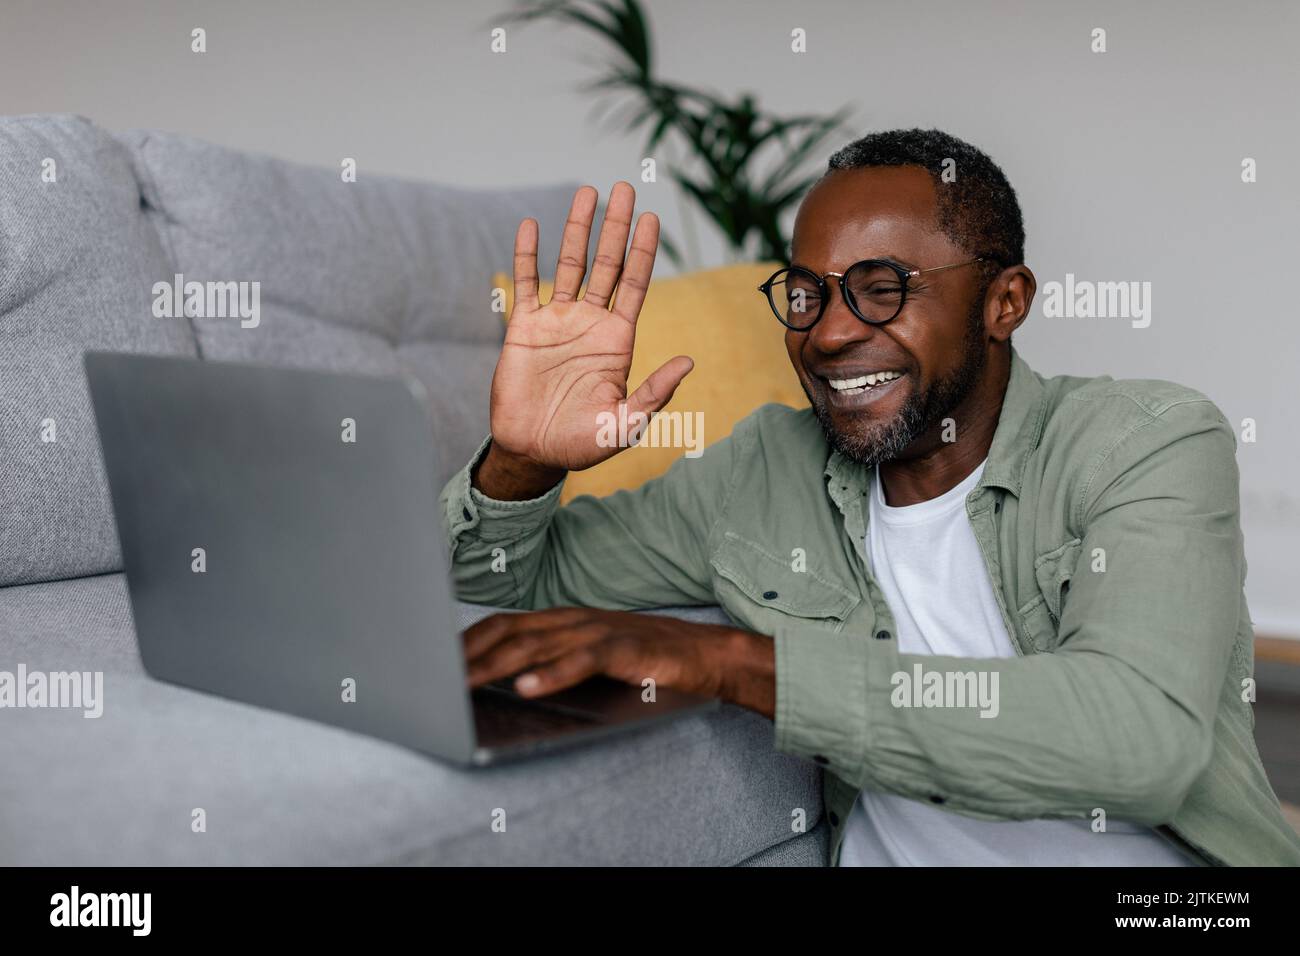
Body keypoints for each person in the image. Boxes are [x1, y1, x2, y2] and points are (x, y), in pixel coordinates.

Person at [439, 129, 1300, 866]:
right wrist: (523, 461)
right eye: (808, 294)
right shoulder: (761, 468)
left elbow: (1138, 739)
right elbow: (496, 587)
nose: (831, 331)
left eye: (882, 288)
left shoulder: (1144, 441)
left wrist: (730, 662)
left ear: (1005, 301)